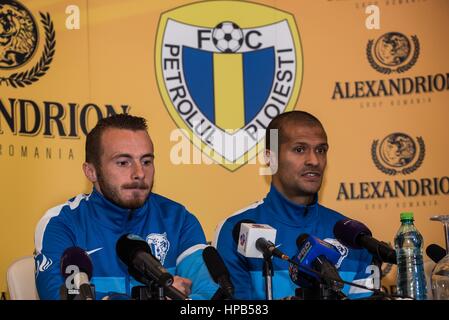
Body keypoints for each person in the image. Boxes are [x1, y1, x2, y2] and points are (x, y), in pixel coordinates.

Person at [34, 114, 218, 300]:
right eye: (123, 162)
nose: (139, 173)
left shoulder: (178, 219)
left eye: (146, 162)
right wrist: (154, 297)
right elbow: (63, 297)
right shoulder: (62, 223)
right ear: (91, 172)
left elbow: (211, 294)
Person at [214, 110, 378, 300]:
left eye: (321, 150)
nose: (314, 161)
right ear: (270, 158)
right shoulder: (235, 230)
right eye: (300, 149)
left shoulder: (352, 235)